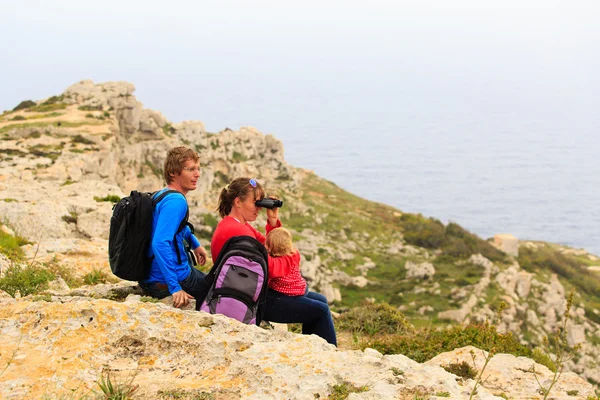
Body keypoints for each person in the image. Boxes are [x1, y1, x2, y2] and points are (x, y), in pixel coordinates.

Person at [211, 177, 337, 346]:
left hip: (250, 289)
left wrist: (272, 221)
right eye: (255, 203)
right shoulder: (238, 231)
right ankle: (326, 358)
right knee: (320, 310)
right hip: (249, 299)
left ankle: (313, 352)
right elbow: (270, 267)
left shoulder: (238, 225)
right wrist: (293, 256)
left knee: (319, 300)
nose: (259, 208)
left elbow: (270, 246)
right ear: (238, 202)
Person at [139, 146, 209, 308]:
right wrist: (175, 288)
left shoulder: (161, 194)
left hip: (150, 276)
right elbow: (160, 243)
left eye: (198, 169)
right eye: (190, 169)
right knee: (223, 291)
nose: (197, 174)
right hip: (168, 280)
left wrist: (195, 244)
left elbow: (176, 227)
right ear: (173, 172)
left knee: (212, 279)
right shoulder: (176, 202)